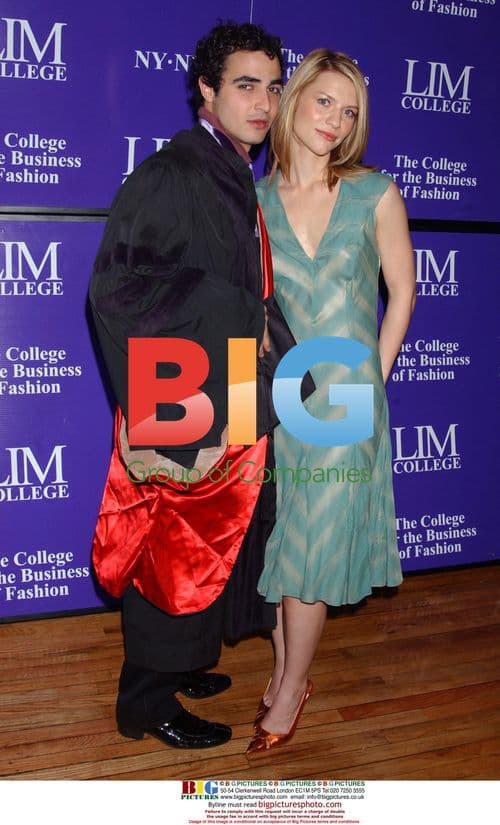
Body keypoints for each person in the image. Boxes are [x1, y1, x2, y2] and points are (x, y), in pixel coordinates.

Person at [89, 22, 288, 750]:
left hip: (225, 378)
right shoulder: (172, 173)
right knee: (175, 543)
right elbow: (117, 291)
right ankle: (144, 702)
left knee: (223, 530)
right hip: (180, 390)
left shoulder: (230, 170)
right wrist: (238, 316)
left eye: (273, 88)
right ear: (206, 89)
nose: (263, 103)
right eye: (245, 85)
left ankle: (184, 661)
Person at [247, 48, 416, 754]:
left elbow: (402, 292)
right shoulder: (254, 202)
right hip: (281, 394)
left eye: (349, 113)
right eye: (325, 102)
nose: (336, 122)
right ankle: (287, 668)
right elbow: (249, 311)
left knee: (313, 545)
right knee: (281, 537)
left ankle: (290, 690)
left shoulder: (374, 193)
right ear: (294, 100)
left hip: (346, 397)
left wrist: (372, 378)